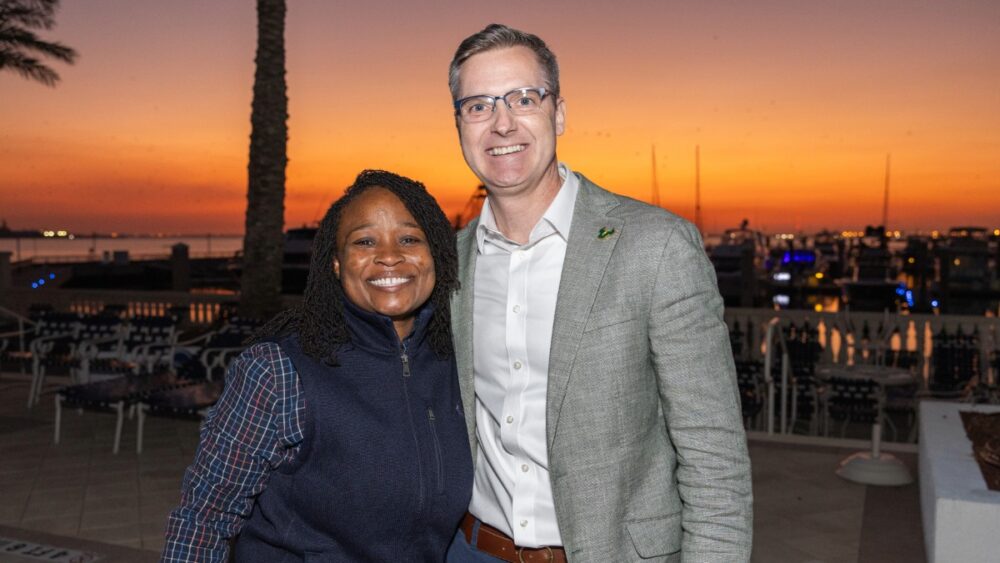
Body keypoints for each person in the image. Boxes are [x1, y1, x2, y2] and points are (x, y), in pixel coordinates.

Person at [445, 24, 753, 562]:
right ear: (460, 126)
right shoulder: (450, 262)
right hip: (474, 551)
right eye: (478, 106)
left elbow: (714, 455)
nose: (501, 123)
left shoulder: (655, 246)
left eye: (523, 98)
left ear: (558, 113)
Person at [162, 170, 473, 562]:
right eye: (364, 241)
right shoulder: (278, 369)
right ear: (337, 264)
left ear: (437, 256)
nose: (390, 255)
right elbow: (202, 518)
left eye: (409, 238)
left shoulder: (457, 362)